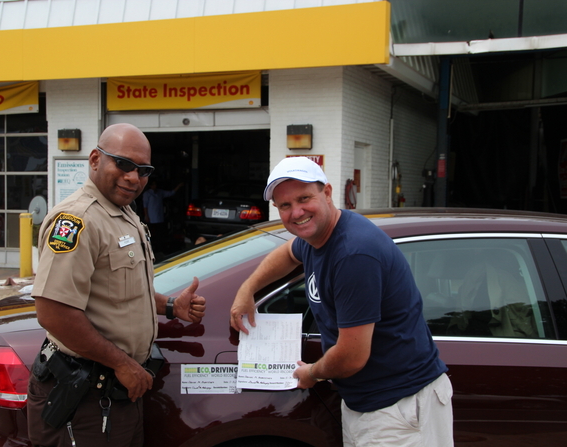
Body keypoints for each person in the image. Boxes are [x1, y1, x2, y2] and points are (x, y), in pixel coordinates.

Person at [230, 157, 453, 447]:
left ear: (328, 193)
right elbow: (288, 253)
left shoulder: (353, 255)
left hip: (400, 408)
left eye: (304, 198)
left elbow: (351, 356)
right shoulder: (317, 237)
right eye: (285, 205)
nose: (296, 212)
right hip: (371, 404)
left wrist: (311, 372)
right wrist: (248, 288)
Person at [27, 123, 206, 447]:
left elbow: (122, 290)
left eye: (143, 170)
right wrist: (123, 364)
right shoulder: (78, 220)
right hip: (86, 400)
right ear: (95, 159)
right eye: (123, 164)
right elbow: (53, 312)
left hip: (117, 392)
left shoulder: (123, 214)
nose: (133, 178)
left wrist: (169, 306)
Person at [142, 179, 183, 255]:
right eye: (153, 184)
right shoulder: (147, 194)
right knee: (151, 234)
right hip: (151, 217)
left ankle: (160, 248)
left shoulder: (160, 192)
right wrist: (146, 216)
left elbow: (171, 193)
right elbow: (145, 206)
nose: (155, 186)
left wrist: (178, 187)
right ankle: (151, 249)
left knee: (160, 234)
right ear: (150, 186)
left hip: (159, 217)